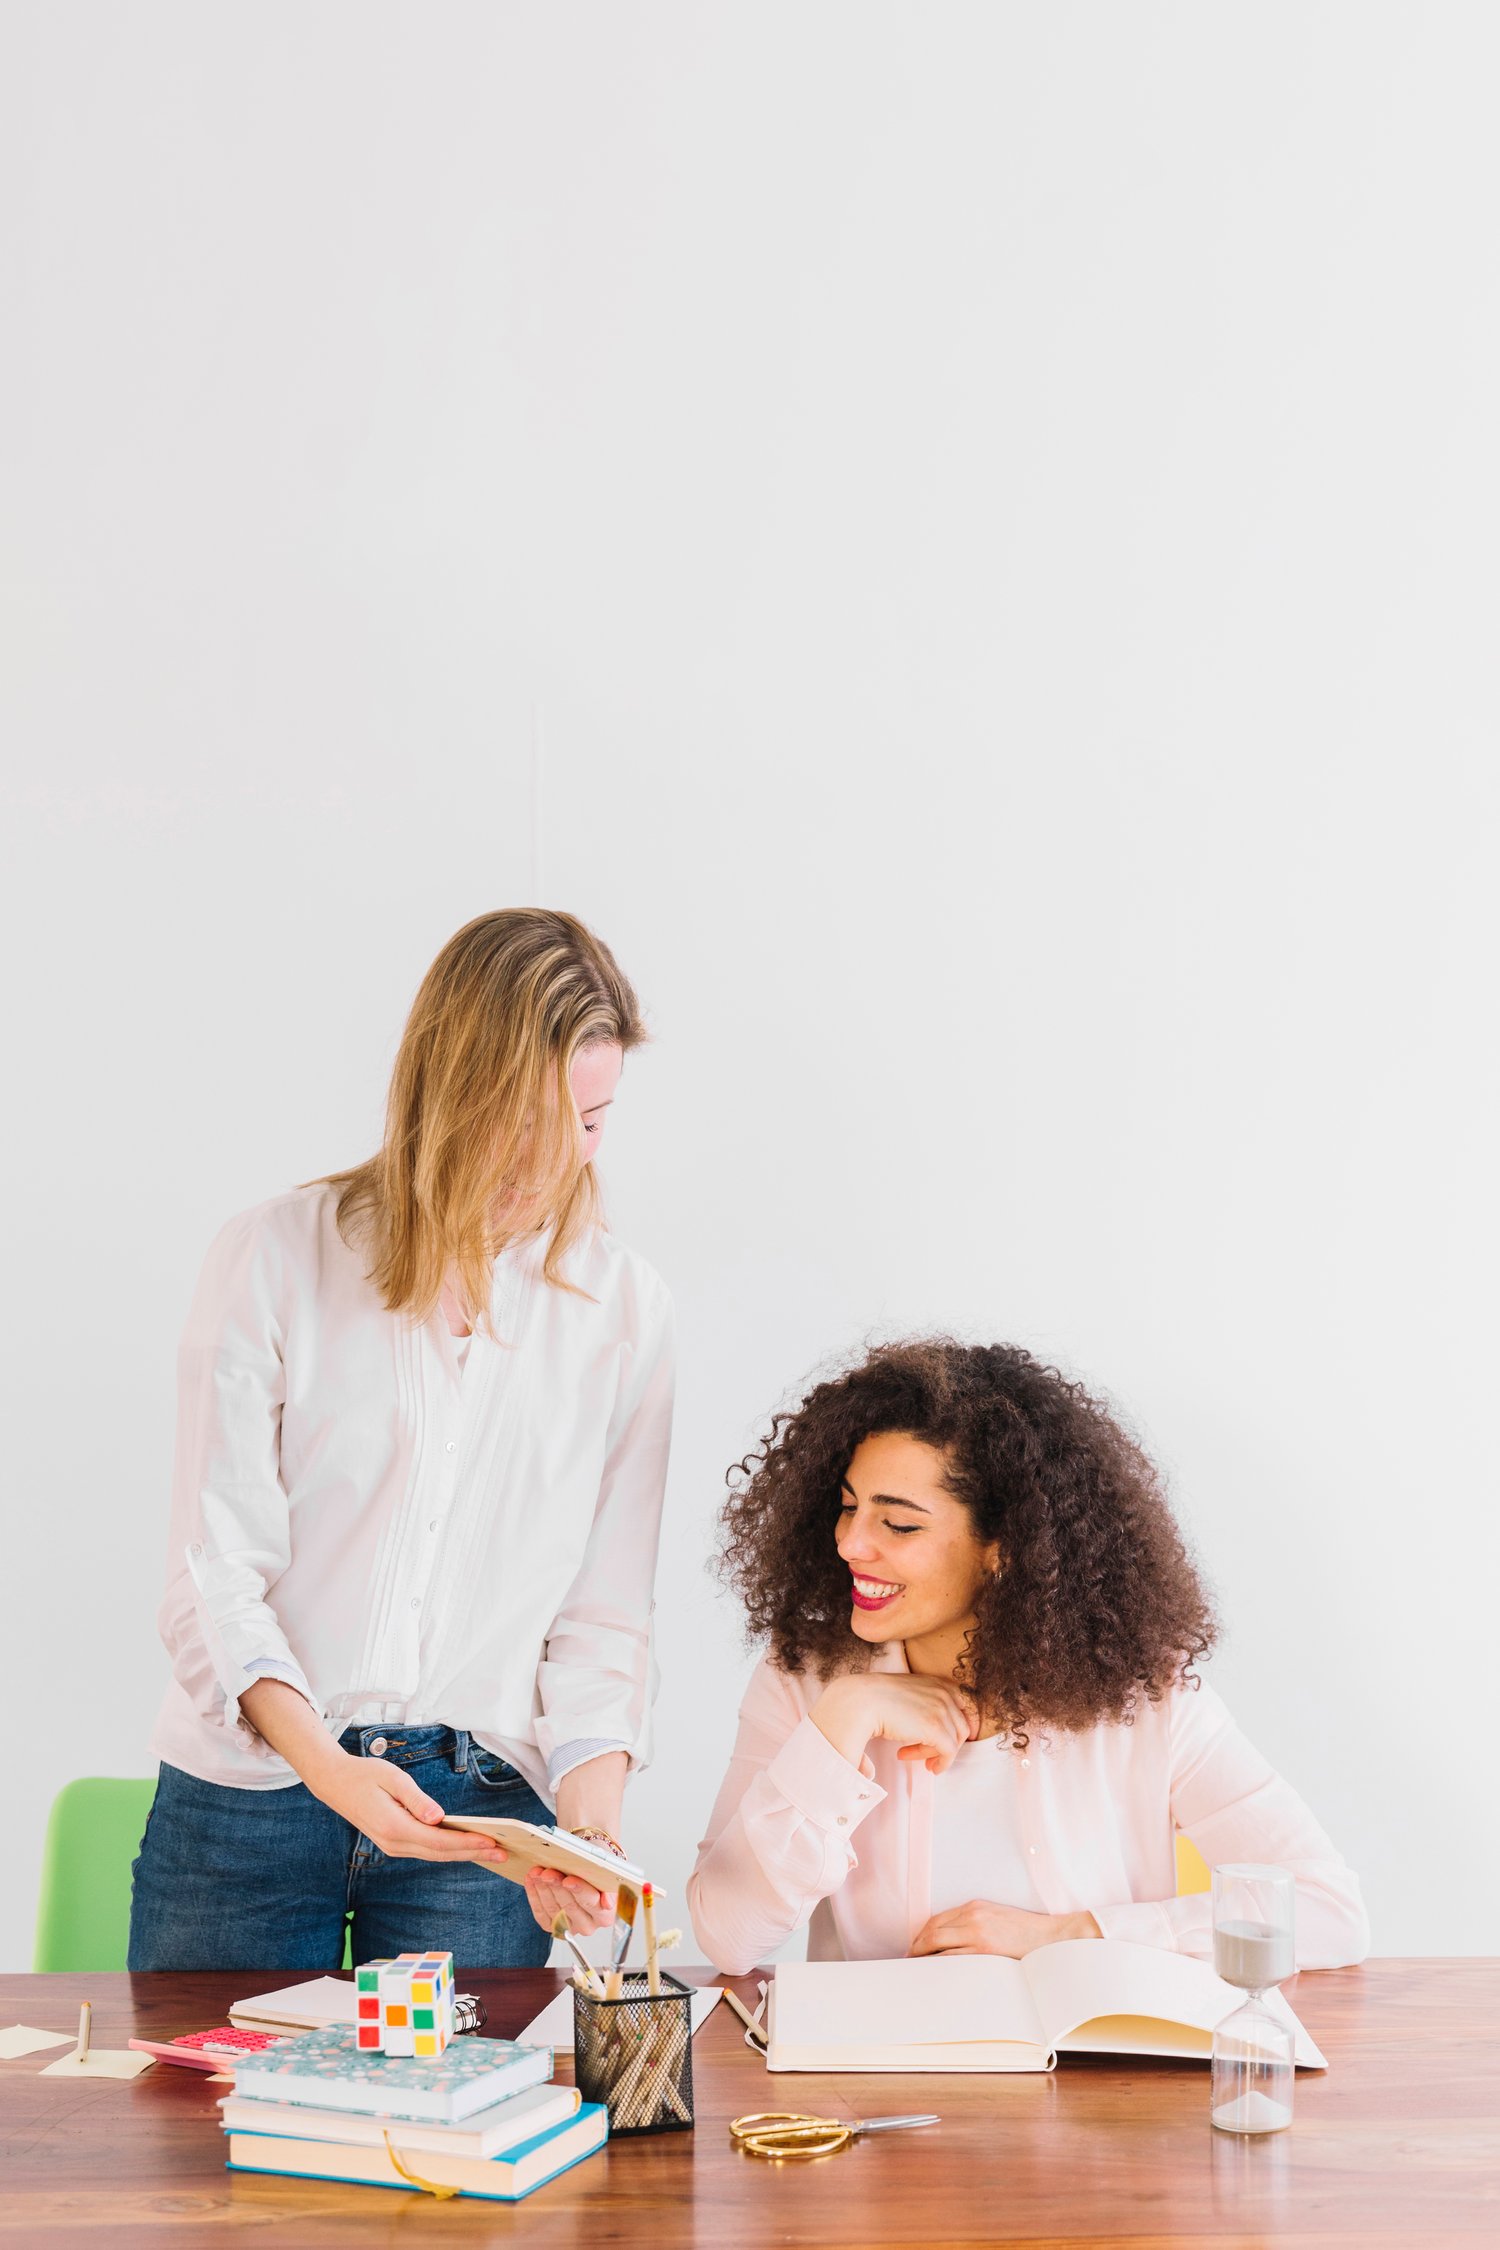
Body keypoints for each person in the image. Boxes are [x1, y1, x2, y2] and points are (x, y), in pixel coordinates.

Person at [130, 909, 674, 1971]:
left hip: (484, 1824)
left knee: (450, 2135)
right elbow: (214, 1574)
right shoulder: (276, 1256)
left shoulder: (627, 1310)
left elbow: (605, 1620)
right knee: (205, 2133)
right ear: (448, 1086)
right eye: (526, 1118)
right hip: (253, 1800)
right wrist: (331, 1771)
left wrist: (590, 1836)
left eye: (593, 1121)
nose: (558, 1161)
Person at [688, 1339, 1368, 1975]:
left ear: (1003, 1546)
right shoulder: (807, 1677)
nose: (851, 1544)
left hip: (1098, 2080)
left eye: (898, 1523)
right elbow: (728, 1936)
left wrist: (1067, 1937)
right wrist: (842, 1720)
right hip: (883, 2086)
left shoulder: (1144, 1691)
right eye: (847, 1507)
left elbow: (1326, 1911)